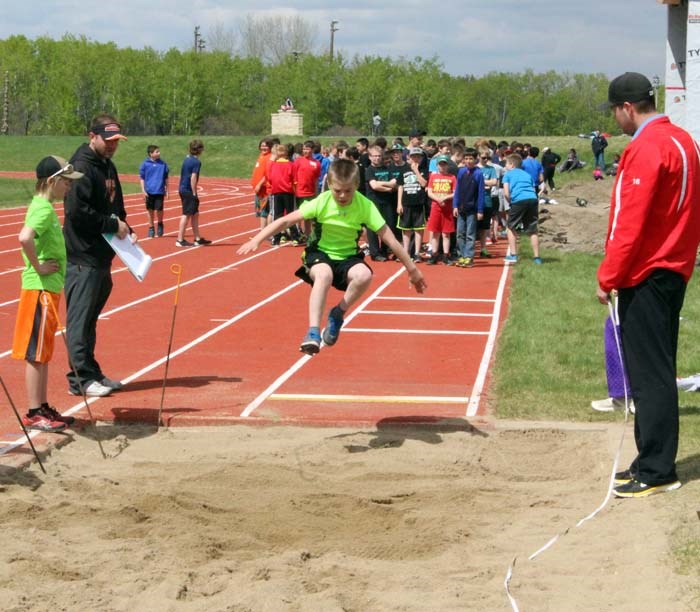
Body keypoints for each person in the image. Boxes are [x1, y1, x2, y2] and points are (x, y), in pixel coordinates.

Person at [597, 72, 700, 498]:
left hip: (648, 270)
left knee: (650, 373)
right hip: (673, 266)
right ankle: (648, 457)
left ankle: (658, 469)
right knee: (651, 368)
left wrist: (609, 275)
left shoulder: (646, 147)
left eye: (616, 113)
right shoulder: (683, 140)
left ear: (627, 107)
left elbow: (629, 221)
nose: (616, 122)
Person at [236, 159, 427, 354]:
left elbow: (391, 240)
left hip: (347, 257)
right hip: (319, 253)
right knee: (324, 275)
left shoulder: (365, 206)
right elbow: (285, 220)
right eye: (337, 191)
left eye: (348, 191)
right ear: (329, 185)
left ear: (356, 186)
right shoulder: (322, 201)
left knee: (364, 276)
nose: (342, 196)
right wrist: (257, 239)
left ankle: (338, 313)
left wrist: (412, 269)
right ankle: (313, 332)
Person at [12, 157, 84, 430]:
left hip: (48, 290)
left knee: (43, 351)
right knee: (36, 352)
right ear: (52, 181)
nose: (69, 187)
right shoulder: (42, 209)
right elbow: (24, 237)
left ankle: (41, 407)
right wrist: (38, 266)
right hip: (39, 289)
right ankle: (33, 411)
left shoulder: (46, 207)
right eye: (66, 182)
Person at [63, 114, 130, 397]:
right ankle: (79, 379)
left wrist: (128, 227)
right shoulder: (79, 168)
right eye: (108, 140)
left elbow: (116, 203)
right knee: (80, 321)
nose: (113, 145)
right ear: (93, 136)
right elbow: (77, 213)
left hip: (102, 256)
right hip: (83, 257)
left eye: (116, 141)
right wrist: (114, 225)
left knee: (90, 319)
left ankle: (91, 371)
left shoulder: (107, 165)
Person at [502, 153, 541, 265]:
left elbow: (506, 193)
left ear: (512, 165)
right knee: (532, 229)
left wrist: (511, 202)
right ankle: (537, 257)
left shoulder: (508, 175)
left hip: (519, 199)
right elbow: (533, 188)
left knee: (510, 227)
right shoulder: (527, 175)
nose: (505, 166)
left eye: (506, 164)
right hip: (533, 199)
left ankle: (513, 255)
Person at [176, 139, 211, 247]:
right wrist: (194, 193)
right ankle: (180, 239)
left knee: (195, 214)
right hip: (188, 190)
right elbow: (193, 177)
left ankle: (197, 238)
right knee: (186, 214)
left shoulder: (187, 159)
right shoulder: (196, 162)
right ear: (200, 149)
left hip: (183, 188)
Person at [396, 147, 429, 262]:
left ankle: (416, 253)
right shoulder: (404, 169)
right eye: (413, 156)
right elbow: (400, 186)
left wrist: (416, 171)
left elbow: (424, 184)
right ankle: (406, 253)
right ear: (409, 157)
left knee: (418, 229)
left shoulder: (424, 169)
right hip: (406, 203)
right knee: (406, 229)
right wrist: (399, 203)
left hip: (419, 204)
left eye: (418, 156)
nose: (416, 158)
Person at [426, 155, 457, 265]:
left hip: (447, 209)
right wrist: (438, 199)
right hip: (435, 208)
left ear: (448, 165)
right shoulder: (433, 177)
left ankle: (446, 254)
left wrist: (445, 198)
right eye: (441, 164)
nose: (442, 167)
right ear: (437, 166)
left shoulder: (452, 177)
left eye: (444, 164)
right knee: (435, 232)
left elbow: (455, 192)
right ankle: (434, 254)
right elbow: (429, 192)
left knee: (446, 233)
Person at [267, 143, 300, 245]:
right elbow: (295, 180)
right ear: (286, 154)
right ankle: (295, 237)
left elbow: (270, 178)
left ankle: (276, 238)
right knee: (290, 215)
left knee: (277, 216)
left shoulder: (273, 164)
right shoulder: (291, 165)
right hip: (288, 193)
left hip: (276, 192)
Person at [139, 144, 169, 238]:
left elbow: (166, 178)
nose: (159, 153)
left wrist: (167, 190)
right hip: (149, 191)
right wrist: (143, 190)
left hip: (159, 191)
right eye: (157, 151)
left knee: (159, 210)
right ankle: (151, 227)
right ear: (150, 153)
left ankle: (160, 224)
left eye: (159, 151)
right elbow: (142, 178)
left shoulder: (163, 164)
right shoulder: (145, 164)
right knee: (150, 210)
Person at [251, 138, 273, 231]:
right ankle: (263, 231)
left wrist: (259, 184)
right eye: (262, 145)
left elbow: (267, 174)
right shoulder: (261, 156)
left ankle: (266, 231)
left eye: (266, 146)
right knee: (262, 211)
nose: (263, 147)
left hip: (264, 189)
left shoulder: (270, 157)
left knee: (265, 211)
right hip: (259, 190)